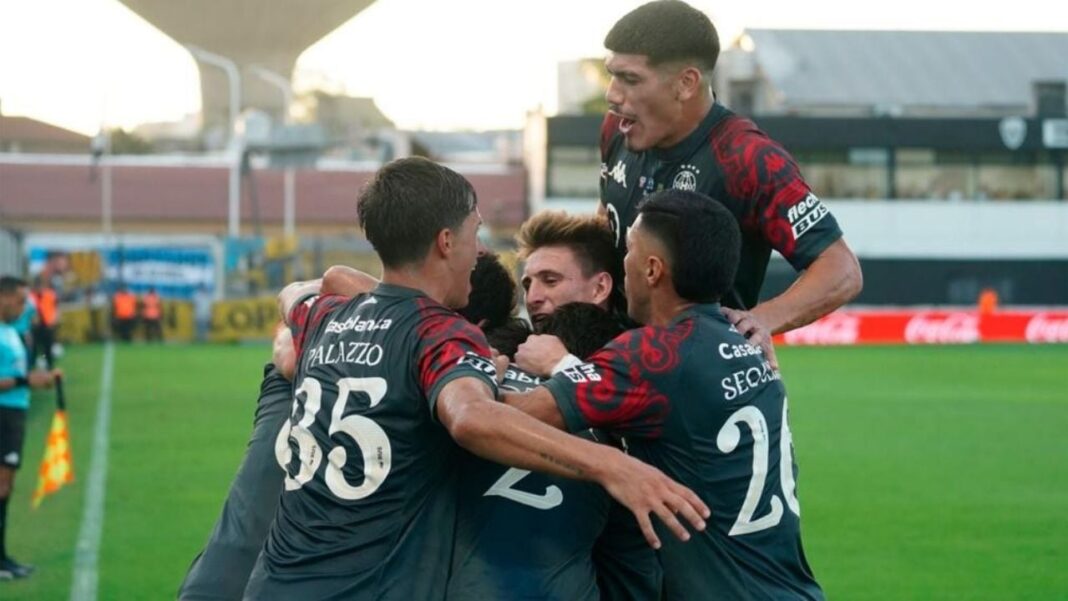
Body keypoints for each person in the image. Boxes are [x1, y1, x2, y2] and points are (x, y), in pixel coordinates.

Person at [243, 157, 707, 599]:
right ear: (447, 242)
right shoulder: (440, 332)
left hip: (273, 581)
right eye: (475, 232)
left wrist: (310, 287)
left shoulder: (326, 316)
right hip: (366, 587)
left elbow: (296, 295)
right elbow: (470, 417)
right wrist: (612, 466)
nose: (480, 251)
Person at [504, 190, 824, 600]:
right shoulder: (745, 340)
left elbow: (517, 416)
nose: (624, 266)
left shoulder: (653, 355)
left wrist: (489, 373)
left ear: (652, 269)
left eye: (630, 252)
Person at [597, 0, 862, 343]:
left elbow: (840, 268)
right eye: (612, 75)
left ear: (686, 83)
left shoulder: (748, 159)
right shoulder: (616, 129)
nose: (612, 94)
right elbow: (608, 218)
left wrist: (761, 319)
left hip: (695, 378)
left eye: (630, 79)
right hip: (615, 362)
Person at [0, 276, 61, 581]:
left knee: (5, 487)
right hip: (3, 414)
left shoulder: (10, 331)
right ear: (3, 297)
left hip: (14, 411)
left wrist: (41, 376)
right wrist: (27, 381)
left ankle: (2, 558)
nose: (24, 307)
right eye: (19, 300)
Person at [28, 278, 58, 369]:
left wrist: (54, 319)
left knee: (48, 348)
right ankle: (32, 369)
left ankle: (49, 367)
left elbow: (55, 307)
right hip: (35, 326)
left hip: (47, 325)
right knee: (34, 349)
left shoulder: (49, 295)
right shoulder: (31, 296)